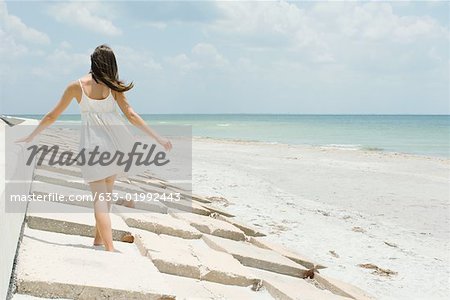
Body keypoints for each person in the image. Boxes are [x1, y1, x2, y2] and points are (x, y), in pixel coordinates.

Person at [16, 44, 172, 252]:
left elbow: (52, 115)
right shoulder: (113, 87)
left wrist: (31, 136)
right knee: (105, 197)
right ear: (111, 64)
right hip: (113, 148)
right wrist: (158, 137)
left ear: (92, 62)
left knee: (100, 199)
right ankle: (103, 243)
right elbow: (131, 115)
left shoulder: (76, 86)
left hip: (92, 148)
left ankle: (106, 245)